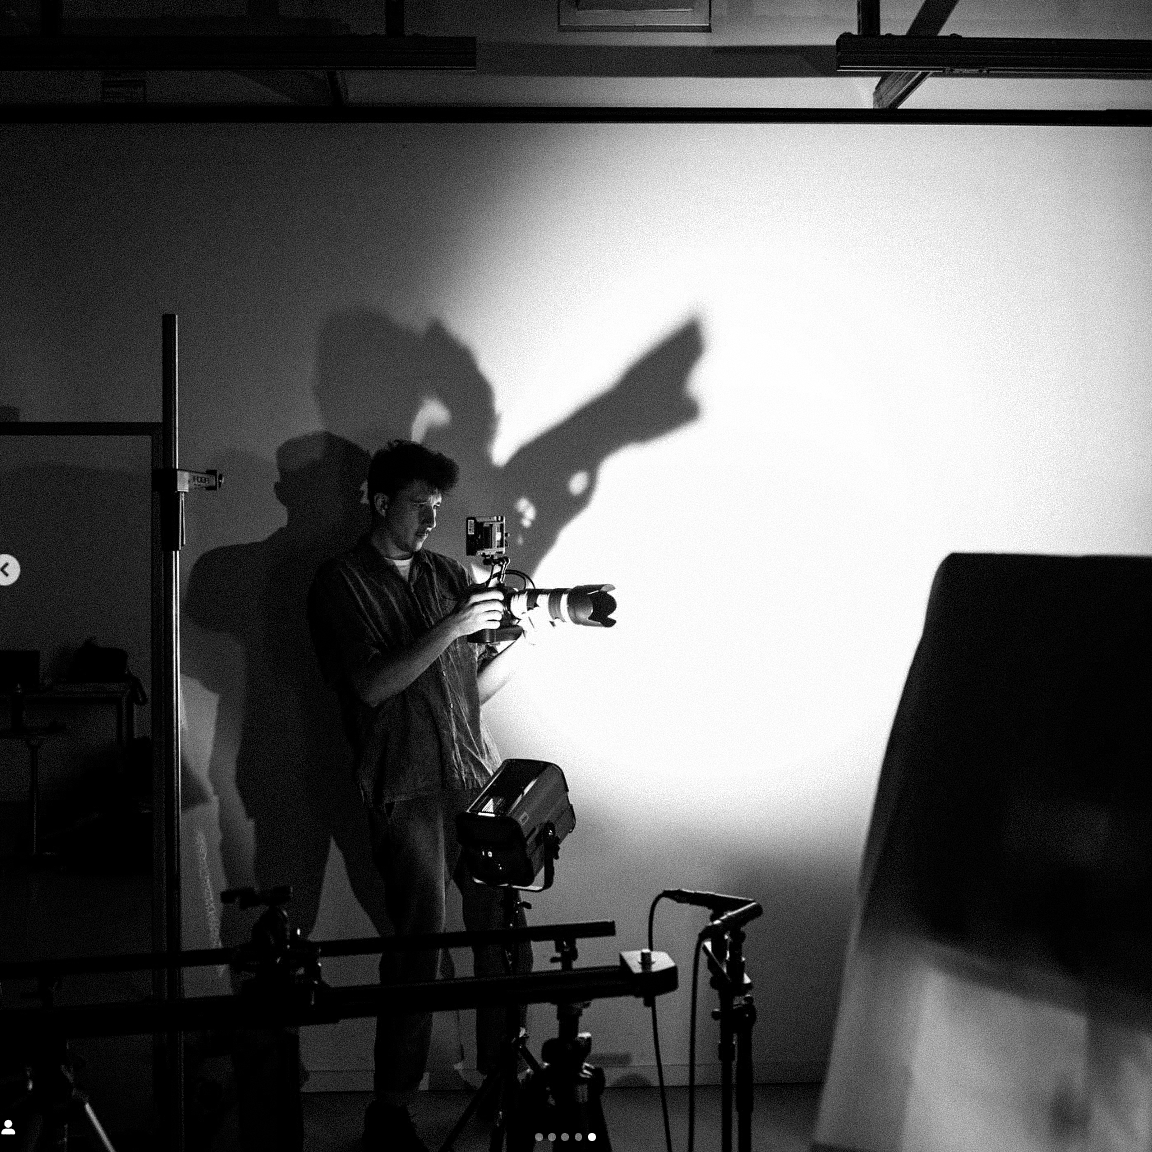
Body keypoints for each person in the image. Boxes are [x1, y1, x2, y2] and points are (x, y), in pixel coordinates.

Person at [307, 438, 538, 1152]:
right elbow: (373, 685)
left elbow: (471, 691)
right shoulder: (341, 581)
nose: (432, 519)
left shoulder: (444, 574)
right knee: (419, 947)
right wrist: (453, 626)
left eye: (439, 507)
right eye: (419, 505)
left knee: (501, 935)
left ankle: (507, 1081)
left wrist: (522, 637)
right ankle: (391, 1110)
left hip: (472, 777)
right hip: (404, 785)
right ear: (380, 502)